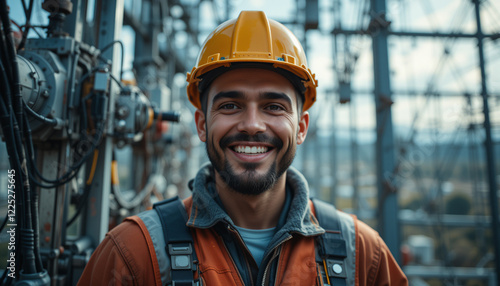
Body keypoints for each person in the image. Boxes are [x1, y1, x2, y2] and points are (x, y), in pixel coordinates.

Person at [78, 11, 408, 286]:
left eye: (274, 107)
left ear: (302, 127)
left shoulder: (362, 256)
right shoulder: (135, 254)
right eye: (231, 105)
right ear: (202, 124)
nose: (252, 124)